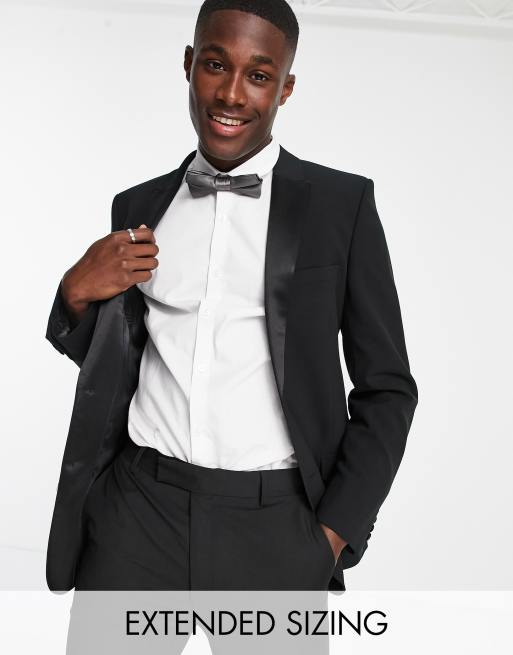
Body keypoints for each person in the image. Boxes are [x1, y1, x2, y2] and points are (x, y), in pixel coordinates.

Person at [46, 0, 418, 600]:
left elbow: (389, 388)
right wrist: (74, 294)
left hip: (277, 529)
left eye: (259, 75)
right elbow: (118, 363)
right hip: (137, 516)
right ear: (189, 64)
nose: (232, 95)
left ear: (285, 88)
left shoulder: (340, 207)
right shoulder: (139, 206)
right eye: (216, 65)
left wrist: (332, 535)